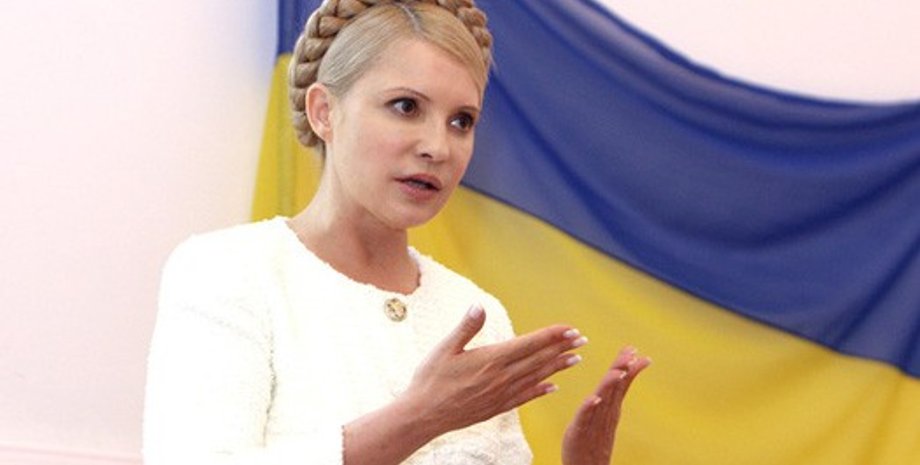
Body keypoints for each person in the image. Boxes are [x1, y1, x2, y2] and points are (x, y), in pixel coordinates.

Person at [142, 1, 651, 464]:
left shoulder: (477, 313)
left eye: (462, 121)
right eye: (407, 107)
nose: (438, 147)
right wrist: (420, 417)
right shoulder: (228, 272)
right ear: (324, 112)